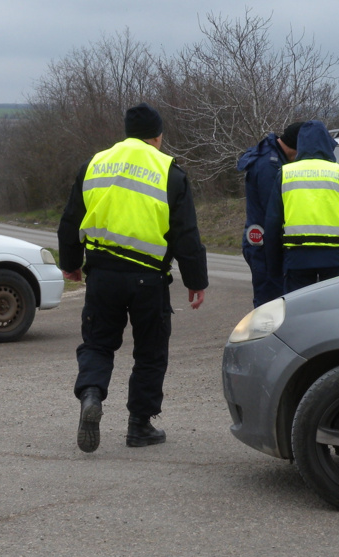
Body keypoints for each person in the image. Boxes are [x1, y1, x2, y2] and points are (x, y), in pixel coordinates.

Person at [57, 103, 209, 454]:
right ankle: (139, 426)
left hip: (102, 275)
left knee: (97, 344)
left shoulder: (94, 164)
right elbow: (186, 234)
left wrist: (71, 264)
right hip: (148, 280)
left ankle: (91, 394)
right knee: (150, 353)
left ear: (127, 132)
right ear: (157, 136)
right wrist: (196, 281)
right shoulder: (169, 172)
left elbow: (70, 220)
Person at [264, 120, 339, 294]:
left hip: (297, 259)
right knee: (333, 306)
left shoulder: (286, 174)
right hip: (335, 259)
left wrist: (274, 268)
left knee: (299, 306)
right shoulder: (337, 173)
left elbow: (272, 224)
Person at [237, 121, 301, 306]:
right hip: (265, 247)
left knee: (274, 302)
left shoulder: (271, 154)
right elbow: (274, 211)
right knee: (270, 306)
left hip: (263, 244)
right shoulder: (269, 165)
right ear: (296, 147)